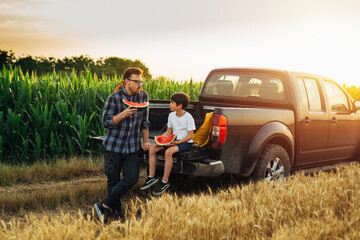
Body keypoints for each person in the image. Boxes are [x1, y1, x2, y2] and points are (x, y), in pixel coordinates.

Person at [94, 67, 151, 224]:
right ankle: (117, 214)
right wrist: (124, 114)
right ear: (127, 81)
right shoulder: (114, 98)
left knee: (131, 178)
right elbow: (106, 122)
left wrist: (145, 141)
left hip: (132, 147)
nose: (140, 84)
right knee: (113, 181)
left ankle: (103, 205)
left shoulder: (143, 96)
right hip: (113, 146)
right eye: (136, 81)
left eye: (141, 81)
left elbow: (145, 122)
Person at [140, 92, 195, 195]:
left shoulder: (188, 117)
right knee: (152, 149)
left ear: (179, 106)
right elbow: (169, 131)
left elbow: (190, 136)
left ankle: (165, 181)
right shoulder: (171, 115)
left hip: (185, 142)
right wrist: (161, 139)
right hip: (173, 140)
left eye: (172, 102)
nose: (170, 104)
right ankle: (152, 177)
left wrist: (177, 142)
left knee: (168, 152)